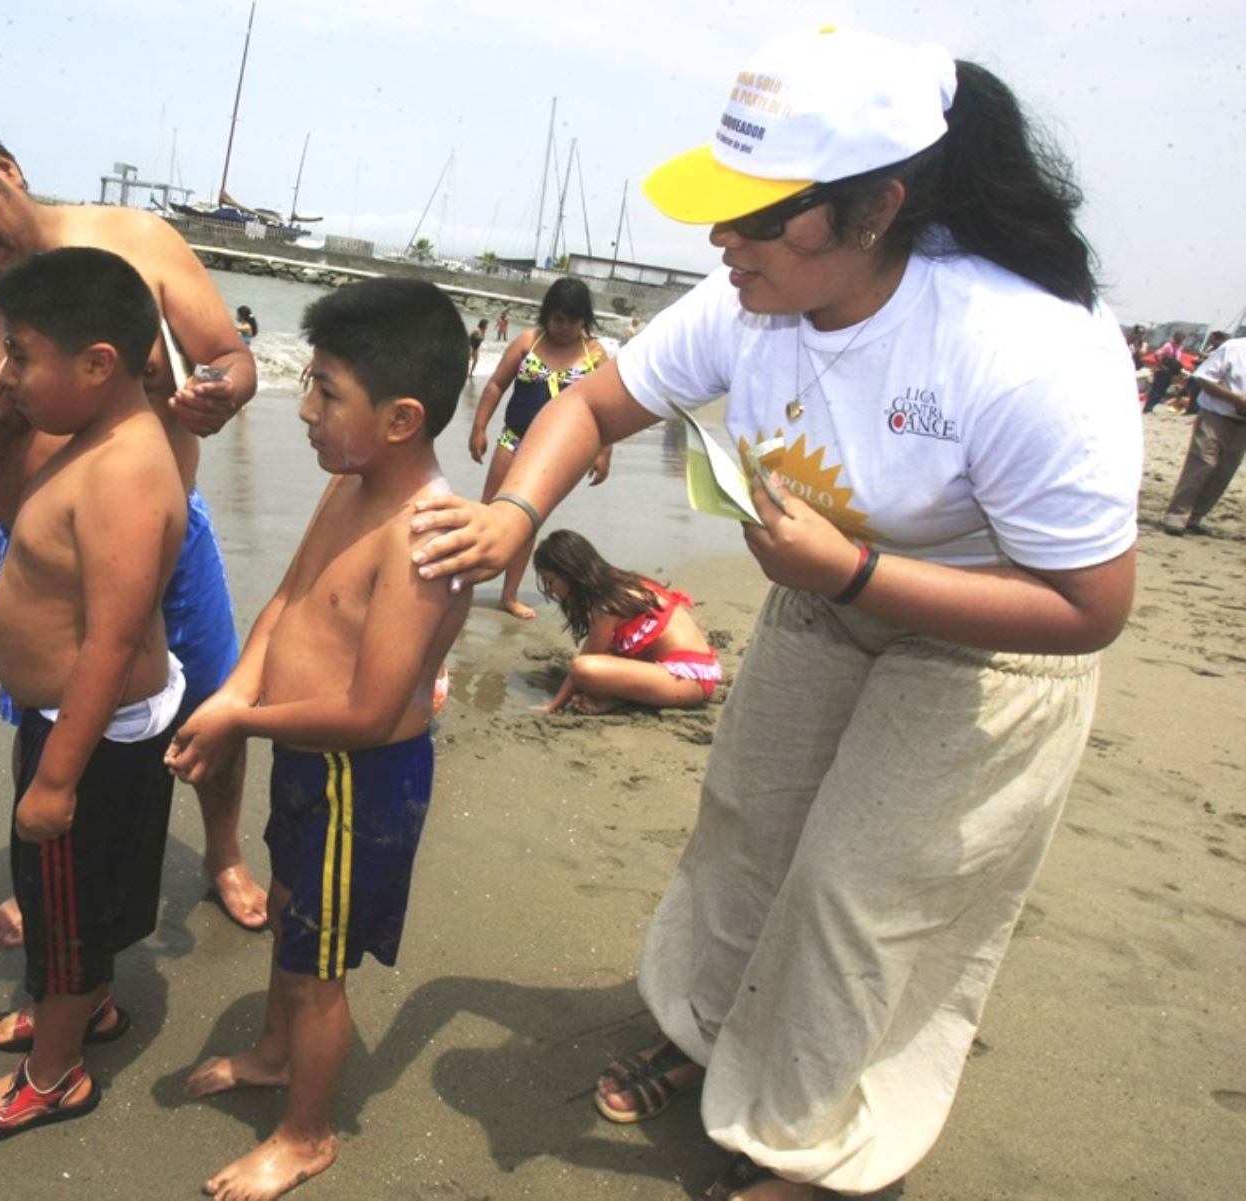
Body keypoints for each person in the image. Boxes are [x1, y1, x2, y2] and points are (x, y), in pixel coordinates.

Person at [412, 27, 1139, 1200]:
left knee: (863, 894)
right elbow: (594, 406)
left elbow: (1090, 603)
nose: (720, 241)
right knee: (747, 831)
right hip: (825, 593)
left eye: (755, 216)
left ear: (873, 210)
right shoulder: (748, 299)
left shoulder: (1026, 345)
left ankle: (805, 1144)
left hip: (989, 635)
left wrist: (853, 574)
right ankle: (705, 1035)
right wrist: (512, 513)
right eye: (722, 210)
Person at [0, 96, 270, 935]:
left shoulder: (138, 242)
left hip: (169, 544)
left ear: (5, 169)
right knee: (51, 736)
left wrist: (220, 390)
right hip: (42, 565)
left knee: (213, 713)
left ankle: (222, 850)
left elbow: (229, 353)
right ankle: (54, 873)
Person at [167, 278, 472, 1201]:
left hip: (361, 778)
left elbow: (375, 711)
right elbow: (287, 604)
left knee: (319, 965)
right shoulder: (350, 484)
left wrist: (239, 720)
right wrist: (236, 689)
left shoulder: (422, 533)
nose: (302, 408)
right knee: (293, 914)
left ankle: (306, 1135)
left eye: (326, 390)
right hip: (307, 761)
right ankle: (271, 1051)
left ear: (400, 417)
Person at [0, 248, 189, 1144]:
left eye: (21, 353)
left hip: (88, 733)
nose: (8, 373)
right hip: (69, 724)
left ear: (97, 365)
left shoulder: (123, 470)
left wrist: (56, 779)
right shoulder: (96, 438)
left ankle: (53, 1074)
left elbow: (113, 641)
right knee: (70, 893)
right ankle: (90, 1010)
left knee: (66, 906)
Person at [466, 278, 612, 619]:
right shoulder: (529, 342)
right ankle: (463, 583)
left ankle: (509, 595)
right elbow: (495, 386)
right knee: (489, 511)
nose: (564, 328)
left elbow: (606, 407)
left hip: (558, 453)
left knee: (527, 523)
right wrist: (478, 429)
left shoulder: (594, 355)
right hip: (513, 439)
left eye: (573, 321)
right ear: (547, 315)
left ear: (584, 320)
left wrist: (604, 452)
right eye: (558, 319)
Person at [533, 529, 720, 714]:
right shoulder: (620, 581)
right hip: (692, 671)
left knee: (583, 669)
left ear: (568, 573)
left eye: (550, 582)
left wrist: (553, 706)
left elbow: (585, 662)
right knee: (599, 663)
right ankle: (618, 698)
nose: (551, 591)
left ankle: (619, 698)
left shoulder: (606, 605)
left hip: (688, 679)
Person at [1161, 328, 1246, 535]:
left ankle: (1195, 516)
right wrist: (1236, 399)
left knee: (1224, 471)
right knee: (1203, 464)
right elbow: (1204, 379)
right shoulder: (1234, 348)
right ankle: (1177, 515)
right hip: (1215, 416)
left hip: (1243, 425)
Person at [1143, 329, 1187, 411]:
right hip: (1163, 372)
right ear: (1175, 337)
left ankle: (1151, 406)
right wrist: (1162, 367)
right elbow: (1157, 354)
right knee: (1157, 390)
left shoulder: (1179, 348)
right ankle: (1148, 407)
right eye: (1179, 338)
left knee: (1162, 391)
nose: (1180, 340)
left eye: (1182, 339)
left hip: (1170, 372)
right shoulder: (1168, 345)